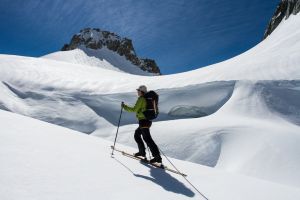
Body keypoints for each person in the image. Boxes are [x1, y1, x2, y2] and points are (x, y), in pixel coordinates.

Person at [122, 85, 162, 163]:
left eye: (138, 91)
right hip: (147, 120)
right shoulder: (147, 98)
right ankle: (142, 152)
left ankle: (157, 157)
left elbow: (134, 109)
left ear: (142, 92)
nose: (137, 92)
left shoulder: (141, 99)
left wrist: (124, 106)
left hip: (144, 121)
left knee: (147, 138)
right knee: (137, 135)